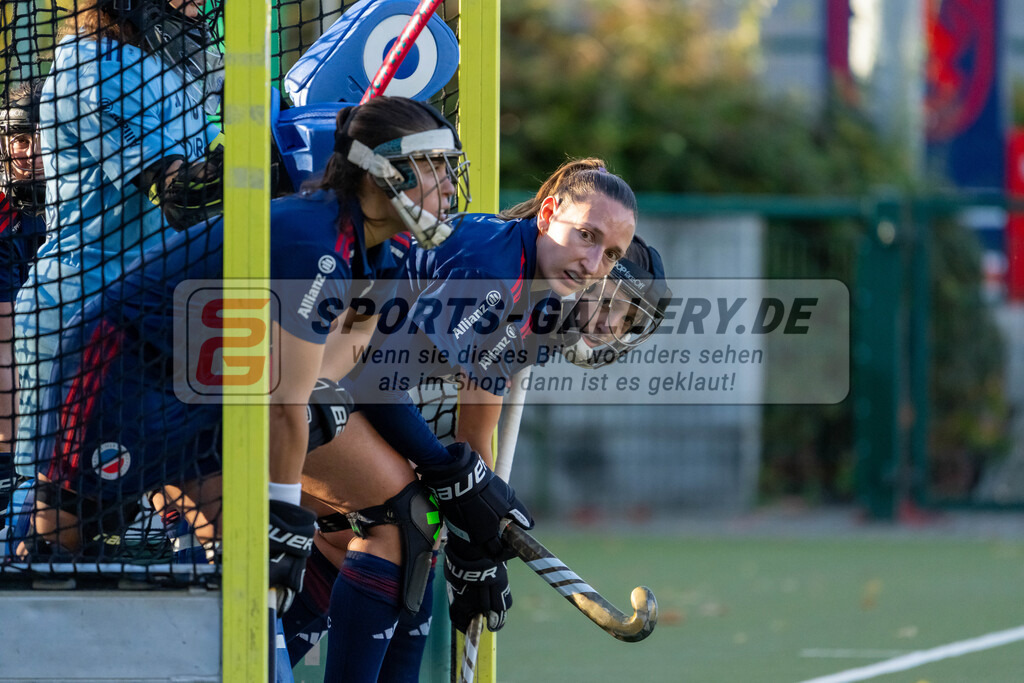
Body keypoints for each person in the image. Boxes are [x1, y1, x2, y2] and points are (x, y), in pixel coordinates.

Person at [20, 95, 469, 625]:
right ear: (378, 172)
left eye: (447, 167)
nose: (446, 184)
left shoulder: (379, 251)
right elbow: (285, 403)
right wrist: (282, 510)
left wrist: (319, 387)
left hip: (207, 393)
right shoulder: (313, 242)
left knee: (245, 571)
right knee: (52, 554)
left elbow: (353, 339)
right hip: (122, 374)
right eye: (431, 166)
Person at [283, 158, 635, 682]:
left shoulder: (534, 293)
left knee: (405, 537)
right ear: (548, 214)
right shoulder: (492, 274)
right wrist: (449, 476)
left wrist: (480, 541)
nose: (592, 262)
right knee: (408, 521)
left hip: (320, 380)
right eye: (586, 235)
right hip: (282, 370)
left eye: (610, 254)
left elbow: (474, 434)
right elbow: (368, 379)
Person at [12, 0, 226, 483]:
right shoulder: (96, 64)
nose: (196, 9)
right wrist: (265, 166)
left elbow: (212, 157)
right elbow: (181, 193)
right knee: (52, 526)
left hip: (160, 314)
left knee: (217, 508)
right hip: (83, 319)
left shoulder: (169, 61)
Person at [0, 80, 48, 520]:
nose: (31, 154)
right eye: (21, 140)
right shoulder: (2, 216)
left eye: (43, 139)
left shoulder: (86, 206)